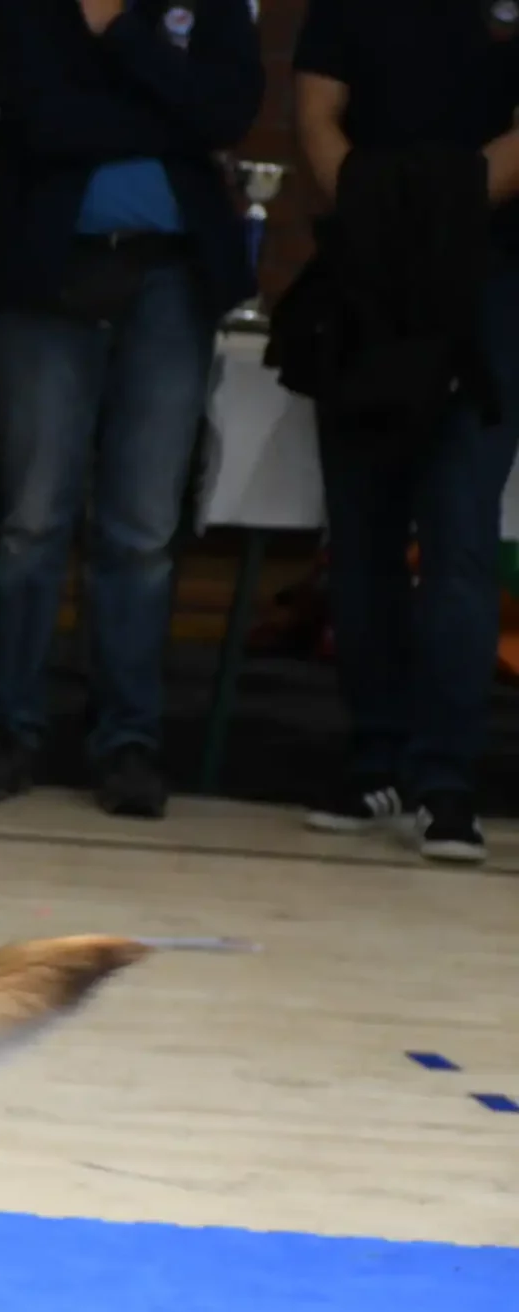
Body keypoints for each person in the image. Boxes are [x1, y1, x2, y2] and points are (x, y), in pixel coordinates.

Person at [0, 0, 259, 818]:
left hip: (173, 280)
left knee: (143, 529)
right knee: (31, 519)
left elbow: (229, 111)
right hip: (47, 273)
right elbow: (41, 118)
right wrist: (169, 112)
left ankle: (128, 740)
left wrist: (118, 35)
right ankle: (5, 727)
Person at [285, 0, 519, 863]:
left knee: (458, 531)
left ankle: (445, 776)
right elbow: (317, 110)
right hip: (365, 277)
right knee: (362, 535)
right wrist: (374, 206)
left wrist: (425, 205)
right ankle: (376, 755)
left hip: (489, 280)